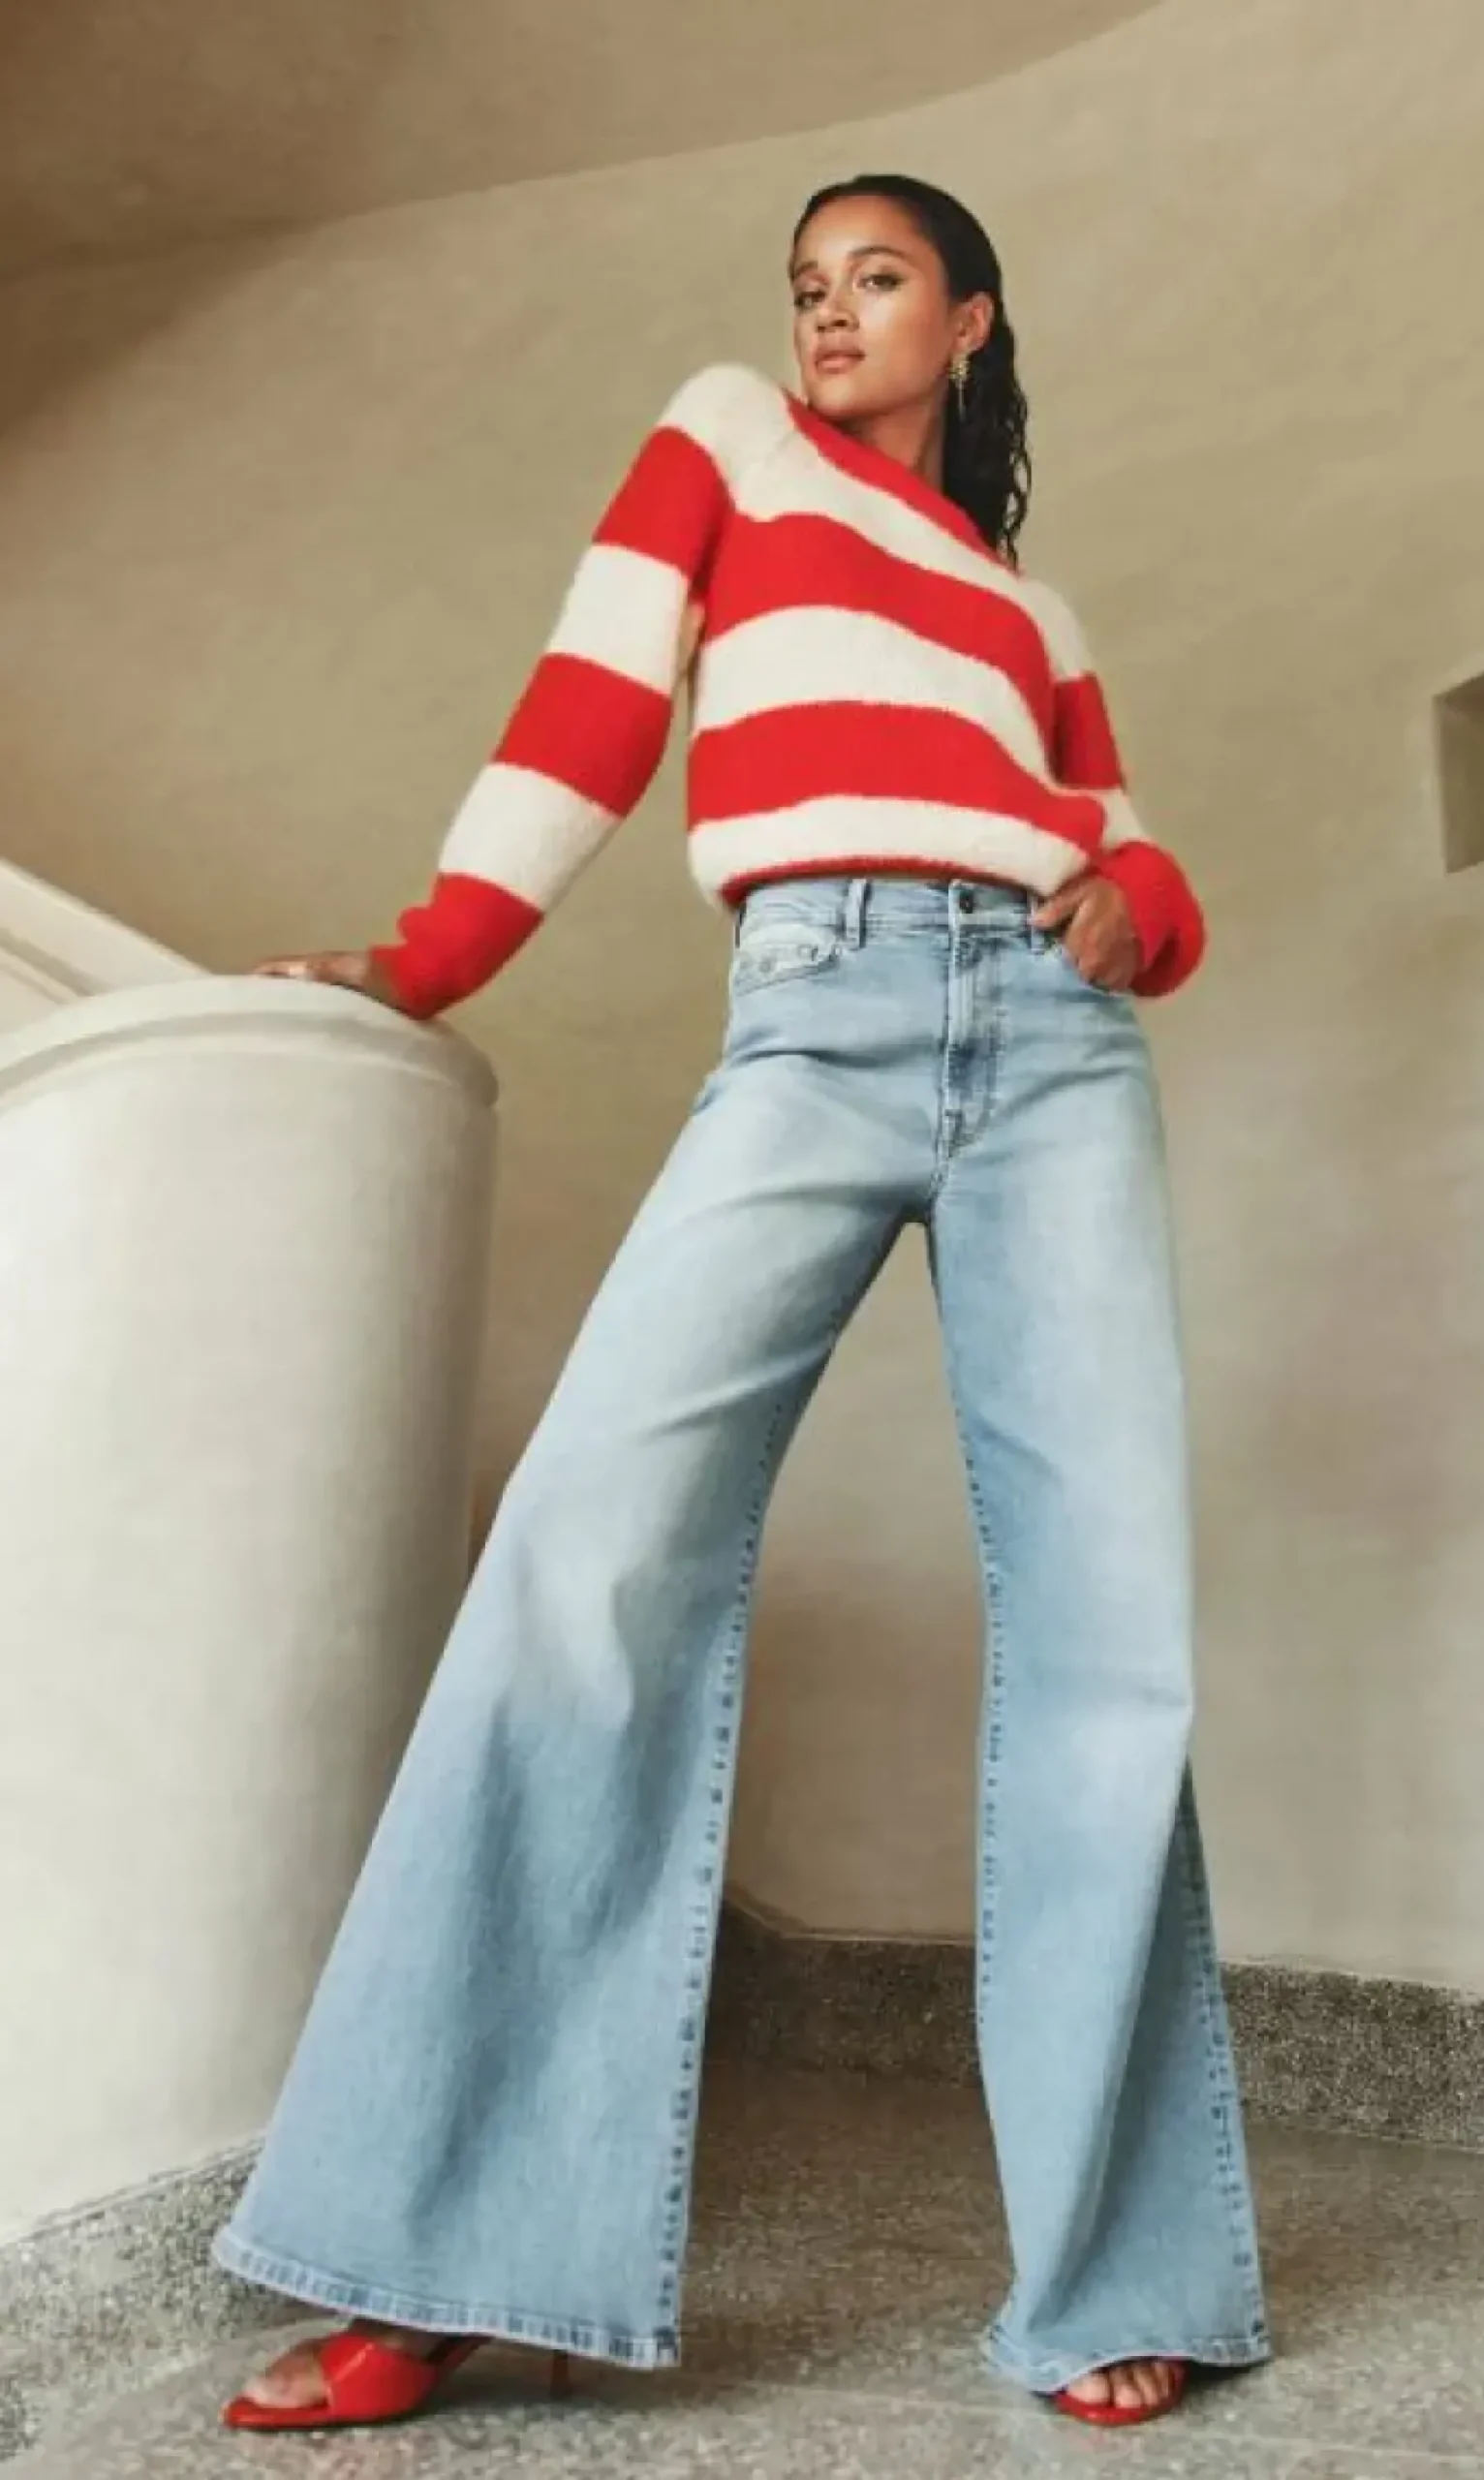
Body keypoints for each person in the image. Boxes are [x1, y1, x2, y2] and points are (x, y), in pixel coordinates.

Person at [216, 171, 1271, 2437]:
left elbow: (1118, 829)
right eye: (807, 283)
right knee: (588, 1552)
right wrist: (431, 951)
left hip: (1053, 1048)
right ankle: (447, 2247)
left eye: (875, 277)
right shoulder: (726, 437)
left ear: (968, 319)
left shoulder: (1031, 599)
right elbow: (595, 698)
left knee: (1109, 1635)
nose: (826, 311)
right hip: (816, 1000)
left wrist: (1142, 903)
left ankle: (1119, 2273)